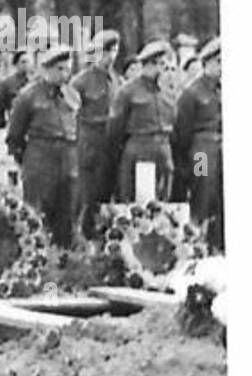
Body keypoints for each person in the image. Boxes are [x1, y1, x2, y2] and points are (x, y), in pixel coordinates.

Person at [6, 47, 80, 246]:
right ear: (46, 69)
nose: (64, 74)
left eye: (67, 69)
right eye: (60, 69)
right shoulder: (28, 96)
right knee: (37, 217)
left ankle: (66, 263)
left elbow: (76, 129)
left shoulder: (72, 96)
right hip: (40, 161)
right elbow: (14, 137)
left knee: (66, 218)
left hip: (67, 162)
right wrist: (29, 163)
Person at [106, 40, 175, 201]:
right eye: (161, 65)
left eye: (165, 65)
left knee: (164, 201)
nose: (164, 70)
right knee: (141, 201)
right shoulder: (128, 91)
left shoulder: (167, 92)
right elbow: (114, 128)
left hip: (164, 149)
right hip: (139, 149)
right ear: (149, 65)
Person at [173, 38, 222, 249]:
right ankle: (196, 241)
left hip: (220, 149)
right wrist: (184, 164)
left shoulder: (221, 90)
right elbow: (181, 132)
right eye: (219, 62)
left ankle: (217, 242)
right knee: (202, 190)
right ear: (207, 63)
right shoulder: (192, 92)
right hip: (200, 152)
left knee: (221, 196)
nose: (222, 67)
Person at [71, 29, 121, 234]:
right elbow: (69, 114)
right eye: (105, 51)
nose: (110, 56)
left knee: (106, 196)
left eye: (114, 51)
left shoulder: (117, 81)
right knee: (87, 197)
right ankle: (82, 238)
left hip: (110, 147)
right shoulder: (80, 82)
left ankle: (102, 238)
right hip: (89, 145)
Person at [0, 49, 34, 128]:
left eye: (28, 61)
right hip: (16, 125)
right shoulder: (7, 84)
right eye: (23, 62)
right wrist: (2, 123)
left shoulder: (35, 82)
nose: (26, 65)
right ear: (16, 64)